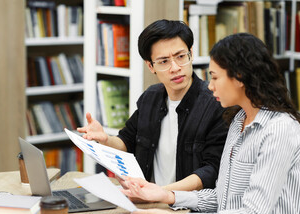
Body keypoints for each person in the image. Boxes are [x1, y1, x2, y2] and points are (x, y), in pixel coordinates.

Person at [120, 33, 300, 214]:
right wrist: (167, 195)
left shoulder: (279, 130)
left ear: (240, 77)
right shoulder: (238, 122)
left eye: (215, 77)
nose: (210, 85)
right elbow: (223, 198)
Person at [77, 19, 228, 191]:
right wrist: (105, 139)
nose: (175, 68)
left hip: (186, 207)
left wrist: (162, 193)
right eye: (164, 61)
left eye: (180, 57)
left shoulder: (215, 104)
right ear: (151, 66)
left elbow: (211, 170)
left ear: (191, 54)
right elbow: (126, 141)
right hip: (148, 201)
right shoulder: (150, 97)